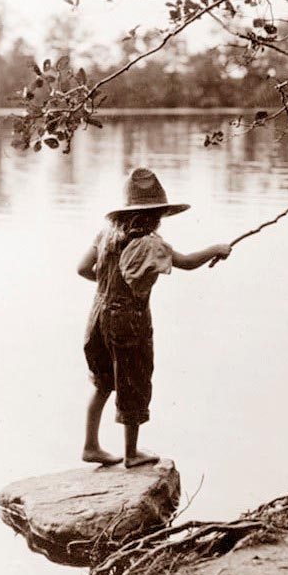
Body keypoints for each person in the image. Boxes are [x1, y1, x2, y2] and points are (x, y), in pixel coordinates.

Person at [77, 167, 231, 469]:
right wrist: (216, 248)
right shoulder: (151, 243)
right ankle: (131, 453)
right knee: (133, 380)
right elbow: (186, 263)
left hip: (97, 317)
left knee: (103, 382)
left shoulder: (105, 235)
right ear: (156, 214)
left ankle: (91, 446)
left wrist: (108, 288)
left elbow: (82, 268)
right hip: (129, 321)